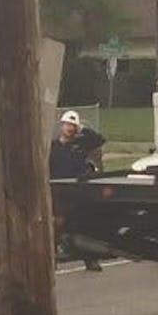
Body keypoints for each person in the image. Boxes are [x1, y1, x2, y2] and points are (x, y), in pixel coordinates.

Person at [51, 110, 108, 271]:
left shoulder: (81, 144)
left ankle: (90, 260)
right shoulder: (53, 146)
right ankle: (52, 258)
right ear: (61, 126)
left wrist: (82, 129)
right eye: (67, 125)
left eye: (73, 126)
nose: (70, 128)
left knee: (84, 225)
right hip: (59, 190)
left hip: (78, 190)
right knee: (58, 224)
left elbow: (100, 140)